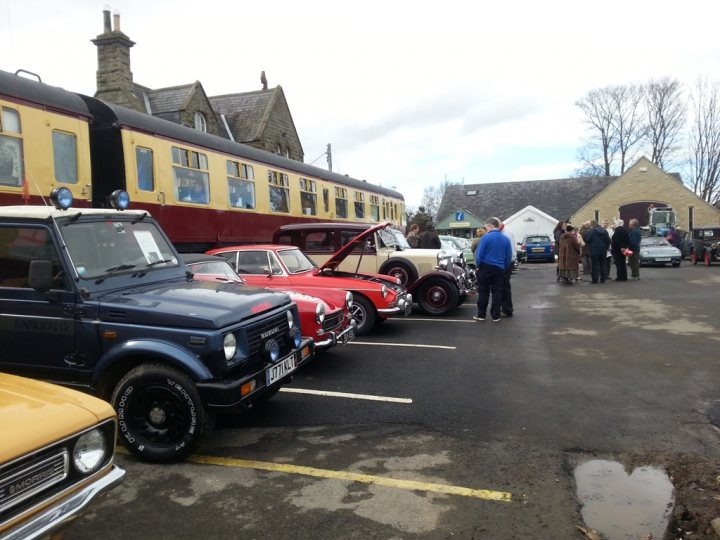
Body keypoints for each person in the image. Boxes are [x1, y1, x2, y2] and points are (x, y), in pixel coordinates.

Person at [474, 217, 513, 322]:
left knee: (483, 292)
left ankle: (481, 315)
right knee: (497, 292)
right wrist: (504, 267)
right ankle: (496, 316)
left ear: (490, 226)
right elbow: (508, 256)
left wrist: (478, 265)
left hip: (485, 267)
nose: (486, 229)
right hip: (499, 269)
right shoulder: (505, 239)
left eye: (486, 228)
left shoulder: (485, 238)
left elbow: (479, 255)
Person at [499, 222, 516, 317]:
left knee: (504, 287)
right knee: (505, 286)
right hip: (509, 261)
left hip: (507, 262)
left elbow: (508, 251)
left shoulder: (506, 233)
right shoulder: (506, 231)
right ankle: (506, 308)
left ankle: (507, 309)